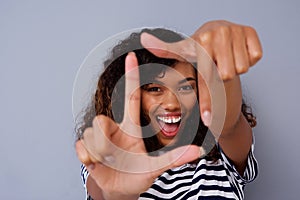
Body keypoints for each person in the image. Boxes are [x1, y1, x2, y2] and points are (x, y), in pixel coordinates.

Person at [75, 20, 262, 200]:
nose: (172, 103)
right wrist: (118, 193)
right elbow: (101, 191)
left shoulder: (221, 158)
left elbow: (230, 122)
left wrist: (218, 59)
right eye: (155, 89)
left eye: (186, 88)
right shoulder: (108, 155)